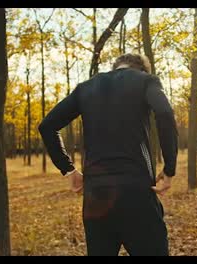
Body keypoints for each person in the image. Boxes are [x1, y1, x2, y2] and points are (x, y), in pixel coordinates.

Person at [38, 53, 178, 256]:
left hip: (96, 198)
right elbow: (164, 113)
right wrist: (169, 168)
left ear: (116, 67)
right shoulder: (147, 81)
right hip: (136, 194)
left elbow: (47, 126)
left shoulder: (86, 88)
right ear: (141, 69)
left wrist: (68, 169)